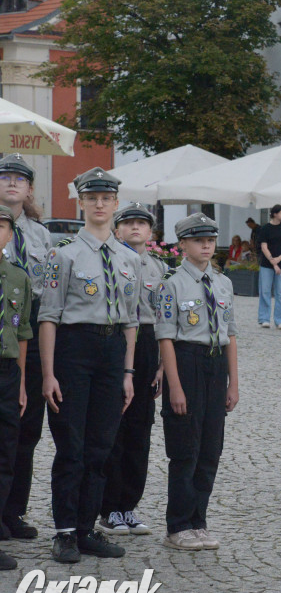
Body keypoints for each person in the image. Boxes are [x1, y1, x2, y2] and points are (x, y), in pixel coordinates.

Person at [39, 167, 141, 563]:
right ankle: (65, 532)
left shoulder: (128, 259)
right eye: (92, 198)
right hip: (74, 350)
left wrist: (128, 372)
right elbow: (49, 316)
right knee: (72, 446)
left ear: (115, 204)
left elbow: (131, 322)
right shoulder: (63, 254)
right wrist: (49, 373)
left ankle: (86, 530)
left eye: (106, 199)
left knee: (101, 446)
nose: (99, 204)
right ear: (81, 203)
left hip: (112, 352)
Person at [155, 213, 239, 551]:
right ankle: (178, 525)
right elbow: (165, 338)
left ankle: (198, 521)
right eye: (198, 240)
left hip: (216, 363)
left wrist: (234, 383)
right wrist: (174, 385)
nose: (206, 246)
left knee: (210, 448)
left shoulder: (223, 283)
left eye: (210, 240)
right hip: (186, 361)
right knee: (185, 447)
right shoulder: (171, 283)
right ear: (183, 245)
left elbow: (231, 334)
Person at [96, 204, 166, 537]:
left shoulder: (159, 268)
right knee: (115, 428)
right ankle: (108, 507)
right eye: (129, 223)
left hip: (148, 343)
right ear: (117, 229)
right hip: (118, 339)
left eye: (142, 223)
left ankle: (128, 505)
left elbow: (165, 318)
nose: (135, 228)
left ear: (151, 232)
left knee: (140, 429)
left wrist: (162, 364)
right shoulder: (110, 259)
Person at [0, 154, 49, 542]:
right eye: (5, 176)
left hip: (27, 336)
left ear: (30, 188)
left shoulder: (41, 236)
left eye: (20, 178)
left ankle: (13, 510)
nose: (13, 182)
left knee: (26, 427)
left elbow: (46, 294)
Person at [0, 204, 32, 570]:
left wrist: (21, 381)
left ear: (10, 235)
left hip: (8, 371)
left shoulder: (18, 277)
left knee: (6, 452)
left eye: (1, 226)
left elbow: (22, 332)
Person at [258, 204, 281, 329]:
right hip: (266, 265)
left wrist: (279, 259)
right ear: (275, 214)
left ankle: (280, 320)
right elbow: (264, 247)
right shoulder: (265, 228)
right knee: (265, 291)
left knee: (280, 293)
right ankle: (264, 318)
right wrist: (273, 262)